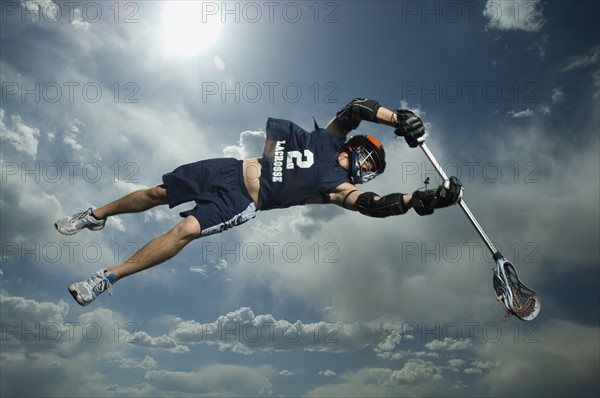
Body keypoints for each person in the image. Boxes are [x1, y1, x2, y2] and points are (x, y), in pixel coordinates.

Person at [55, 98, 463, 306]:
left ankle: (106, 277)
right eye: (369, 154)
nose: (368, 163)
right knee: (158, 192)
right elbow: (358, 106)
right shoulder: (331, 137)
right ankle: (96, 215)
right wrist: (399, 119)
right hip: (230, 168)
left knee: (184, 229)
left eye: (374, 164)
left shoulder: (338, 188)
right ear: (355, 145)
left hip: (243, 201)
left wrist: (421, 199)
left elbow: (374, 204)